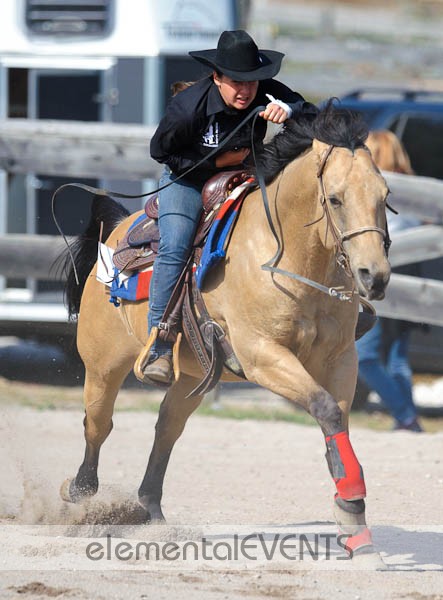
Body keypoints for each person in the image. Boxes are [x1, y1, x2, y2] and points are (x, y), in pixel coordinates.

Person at [140, 29, 318, 385]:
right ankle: (159, 344)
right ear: (217, 77)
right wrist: (214, 163)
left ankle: (329, 311)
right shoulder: (187, 107)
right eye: (237, 81)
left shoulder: (266, 91)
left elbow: (313, 114)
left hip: (245, 176)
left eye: (252, 81)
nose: (246, 90)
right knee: (175, 245)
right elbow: (161, 151)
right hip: (188, 179)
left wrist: (290, 109)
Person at [356, 130, 423, 432]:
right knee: (397, 357)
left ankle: (405, 415)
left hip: (382, 280)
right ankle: (407, 420)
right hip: (413, 280)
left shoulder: (375, 186)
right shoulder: (417, 188)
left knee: (365, 357)